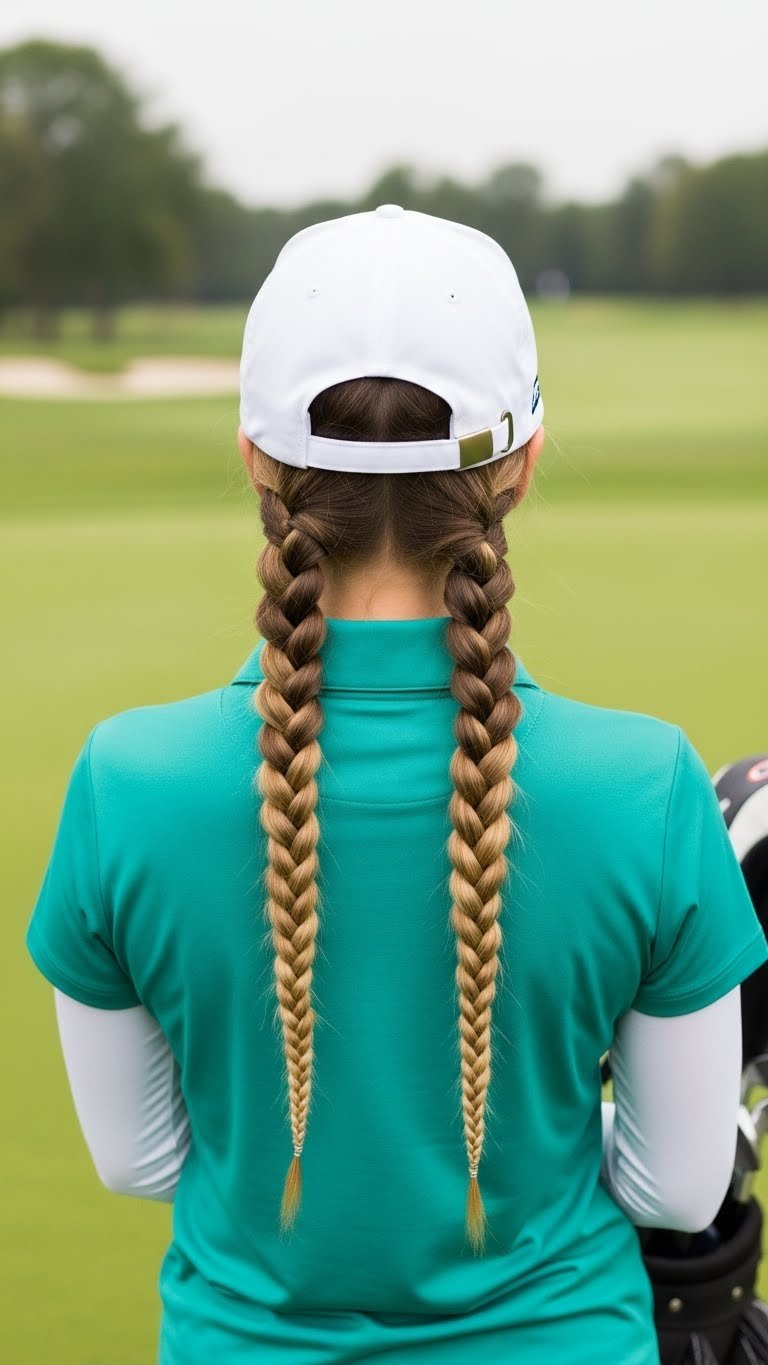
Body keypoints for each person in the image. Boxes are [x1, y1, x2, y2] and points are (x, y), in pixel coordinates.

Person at [25, 205, 768, 1365]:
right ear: (517, 469)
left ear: (259, 460)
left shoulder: (126, 779)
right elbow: (676, 1195)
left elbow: (139, 1161)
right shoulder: (649, 784)